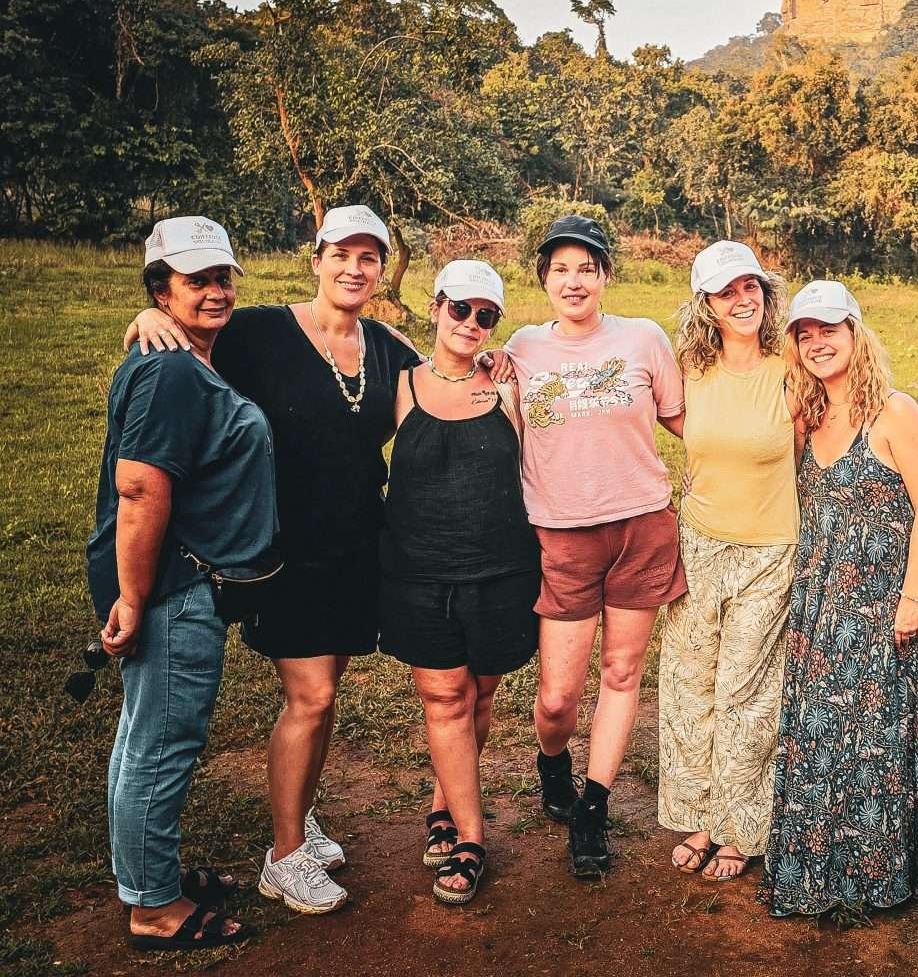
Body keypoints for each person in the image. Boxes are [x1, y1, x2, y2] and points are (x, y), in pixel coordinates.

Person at [125, 205, 419, 914]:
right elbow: (174, 357)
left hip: (357, 544)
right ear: (314, 258)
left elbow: (441, 387)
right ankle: (284, 856)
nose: (354, 268)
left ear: (382, 269)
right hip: (284, 546)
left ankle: (301, 817)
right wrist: (142, 322)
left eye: (368, 257)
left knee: (327, 693)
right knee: (310, 697)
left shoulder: (385, 346)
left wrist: (496, 362)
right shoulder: (257, 331)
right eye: (340, 254)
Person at [88, 217, 278, 950]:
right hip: (171, 587)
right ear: (160, 289)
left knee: (144, 733)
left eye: (223, 276)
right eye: (197, 279)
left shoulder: (188, 356)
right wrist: (134, 599)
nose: (216, 290)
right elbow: (138, 489)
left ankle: (145, 870)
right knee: (163, 741)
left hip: (173, 583)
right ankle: (153, 908)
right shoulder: (170, 369)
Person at [759, 280, 918, 916]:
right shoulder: (809, 412)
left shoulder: (895, 412)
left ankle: (879, 874)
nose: (819, 343)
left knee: (877, 737)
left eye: (830, 330)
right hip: (819, 604)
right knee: (821, 738)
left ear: (855, 332)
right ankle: (817, 870)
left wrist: (910, 599)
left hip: (883, 604)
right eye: (806, 334)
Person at [489, 214, 686, 878]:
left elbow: (687, 419)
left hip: (642, 527)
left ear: (605, 275)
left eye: (586, 268)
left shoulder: (644, 339)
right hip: (562, 536)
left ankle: (593, 811)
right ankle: (553, 764)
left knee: (624, 673)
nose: (574, 280)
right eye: (560, 269)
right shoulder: (521, 348)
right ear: (543, 278)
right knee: (557, 699)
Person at [378, 260, 540, 905]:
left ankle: (445, 802)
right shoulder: (398, 385)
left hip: (502, 568)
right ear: (437, 306)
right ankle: (471, 838)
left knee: (478, 695)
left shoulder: (507, 388)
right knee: (444, 697)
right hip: (418, 572)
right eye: (460, 310)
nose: (471, 324)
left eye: (486, 315)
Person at [658, 241, 797, 881]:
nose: (742, 300)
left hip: (770, 547)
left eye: (751, 288)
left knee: (747, 688)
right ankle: (703, 815)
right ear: (706, 305)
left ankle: (740, 827)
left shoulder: (790, 365)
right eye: (726, 292)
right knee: (692, 684)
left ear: (765, 295)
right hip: (699, 541)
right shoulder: (689, 366)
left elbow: (813, 448)